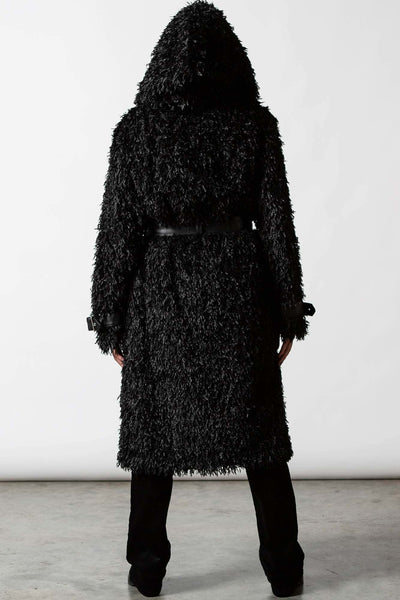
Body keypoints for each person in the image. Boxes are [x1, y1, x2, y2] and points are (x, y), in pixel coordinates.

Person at [87, 1, 315, 597]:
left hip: (160, 296)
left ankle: (146, 571)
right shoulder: (254, 127)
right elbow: (277, 226)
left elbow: (117, 232)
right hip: (239, 292)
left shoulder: (136, 131)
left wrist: (110, 318)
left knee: (154, 438)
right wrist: (289, 309)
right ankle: (285, 571)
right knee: (261, 439)